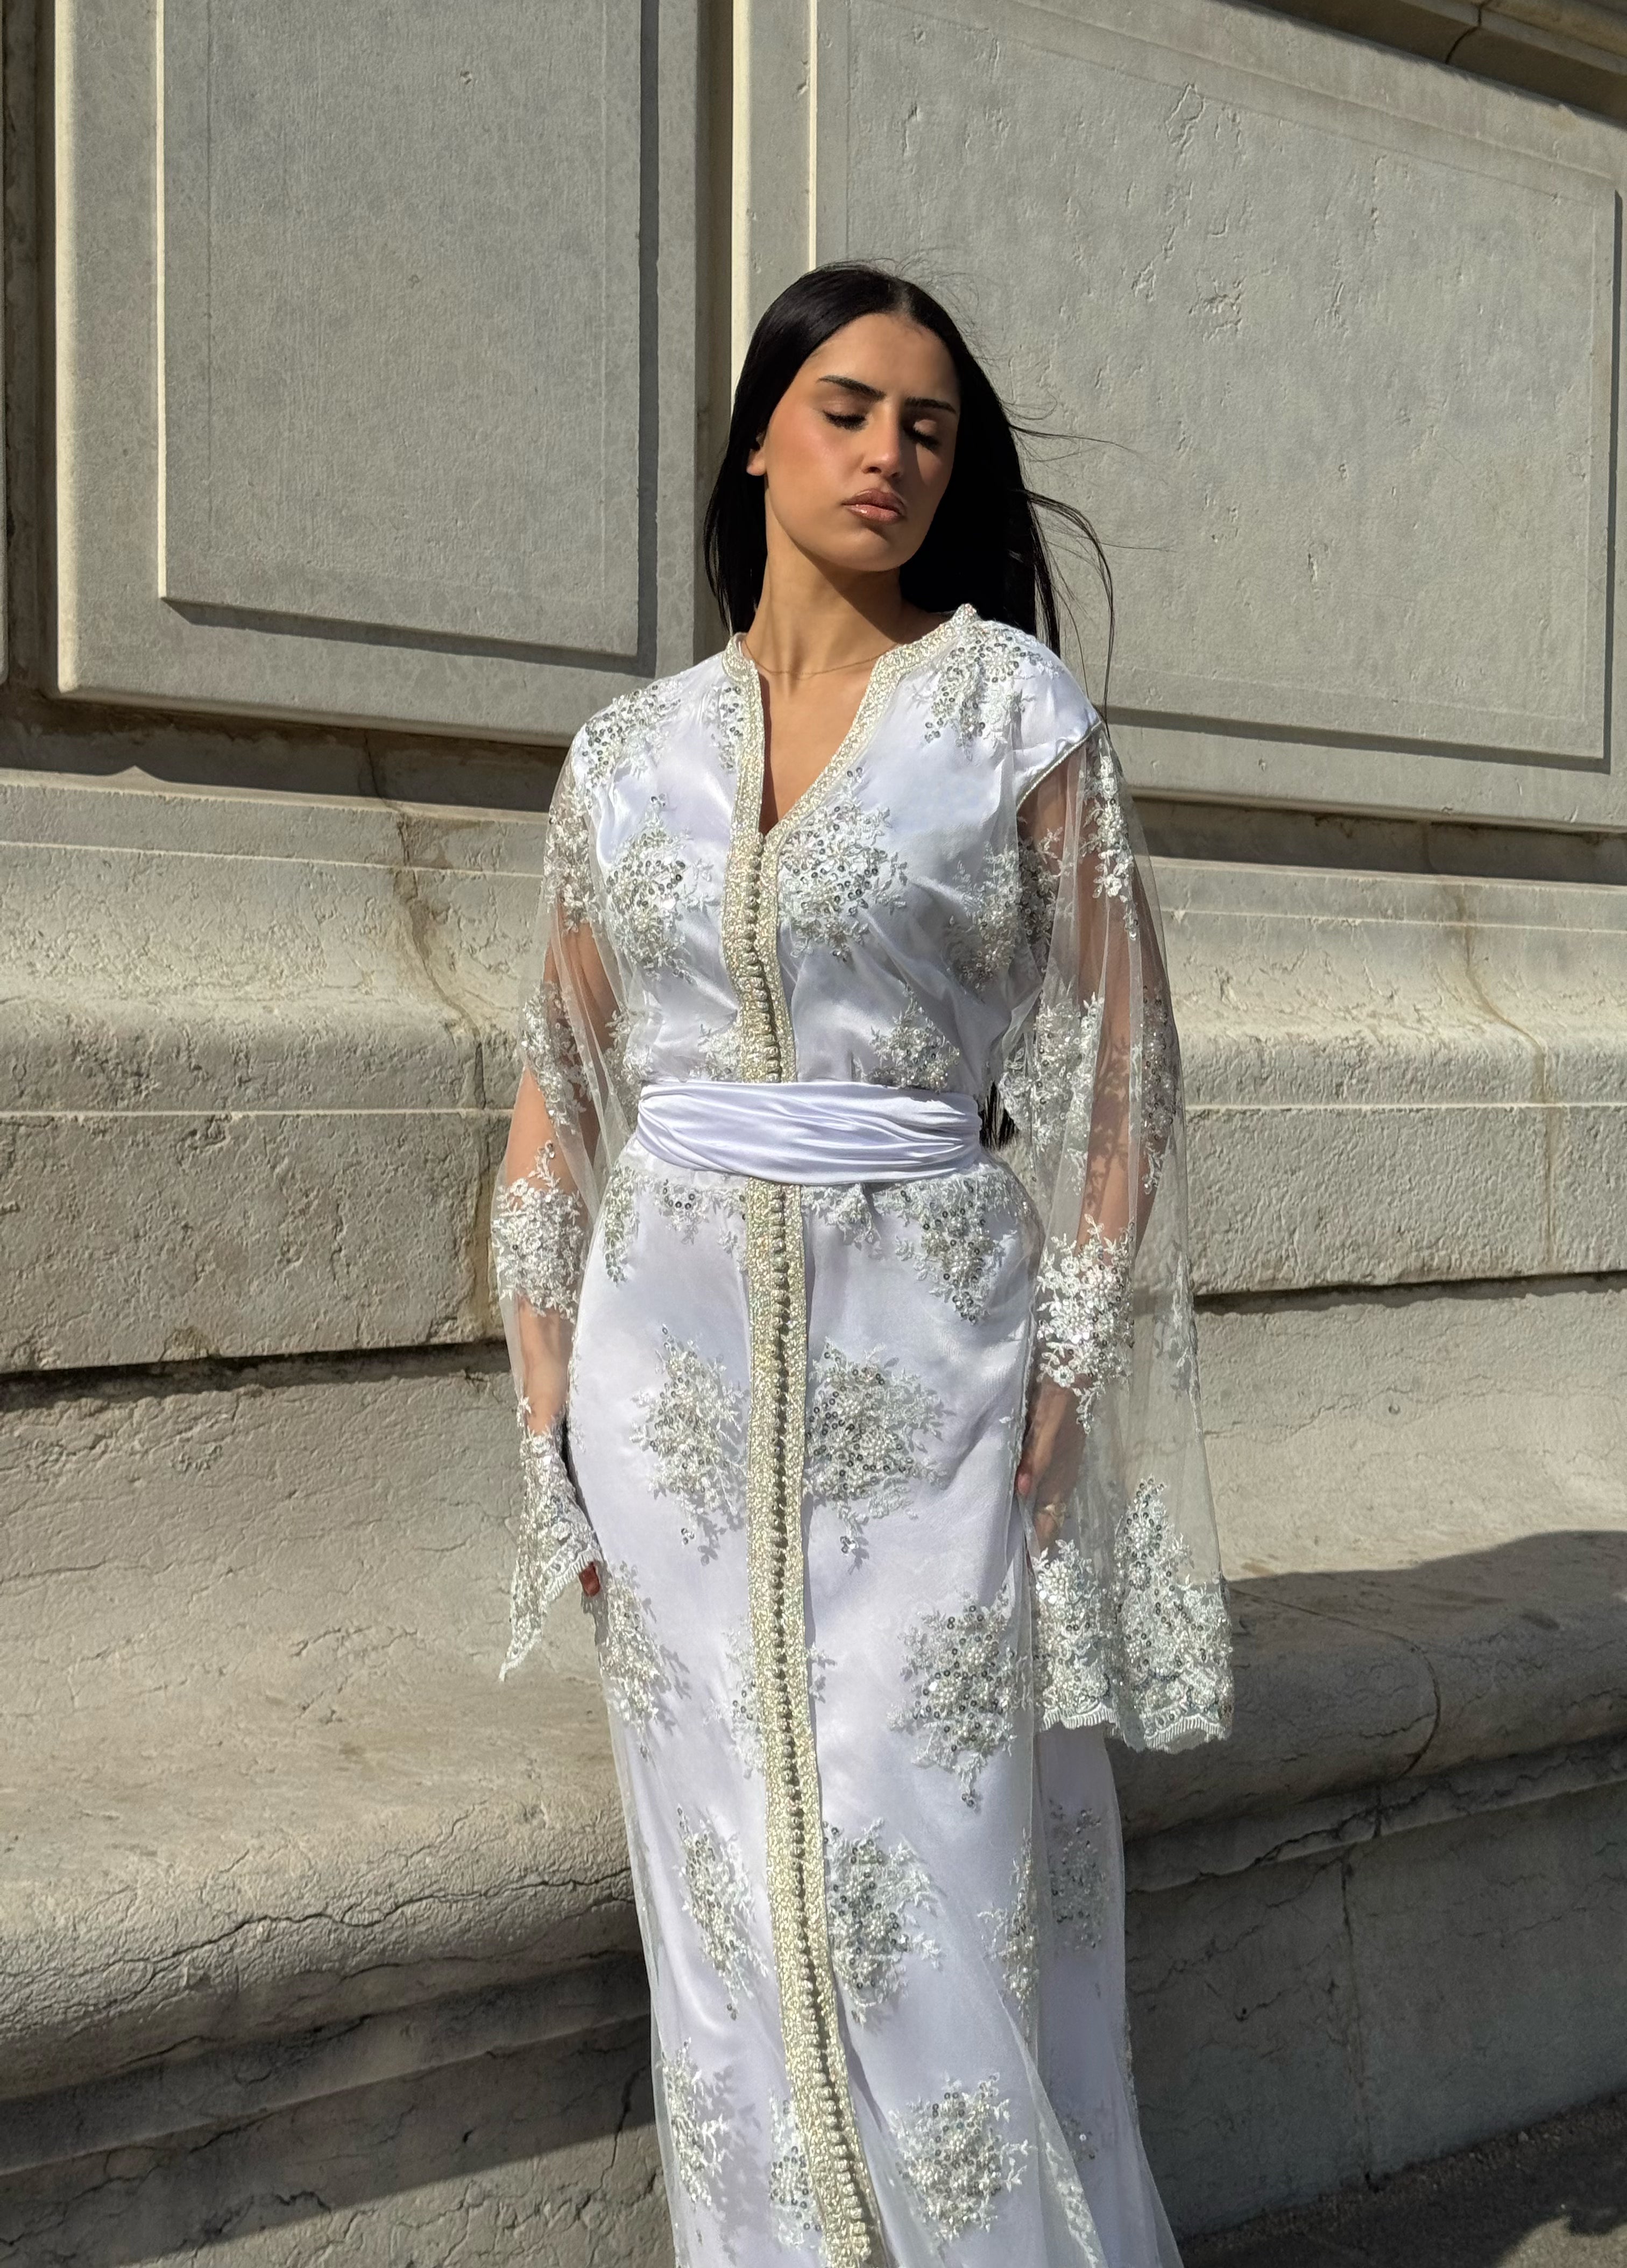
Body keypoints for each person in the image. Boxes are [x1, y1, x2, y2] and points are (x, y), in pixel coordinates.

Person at [490, 261, 1233, 2268]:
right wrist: (548, 1403)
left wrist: (1066, 1383)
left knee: (941, 1871)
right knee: (730, 1893)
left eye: (927, 424)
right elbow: (560, 1093)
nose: (891, 452)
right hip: (670, 1412)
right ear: (758, 433)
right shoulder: (623, 757)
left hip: (946, 1383)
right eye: (846, 407)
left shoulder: (1009, 709)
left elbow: (1119, 1084)